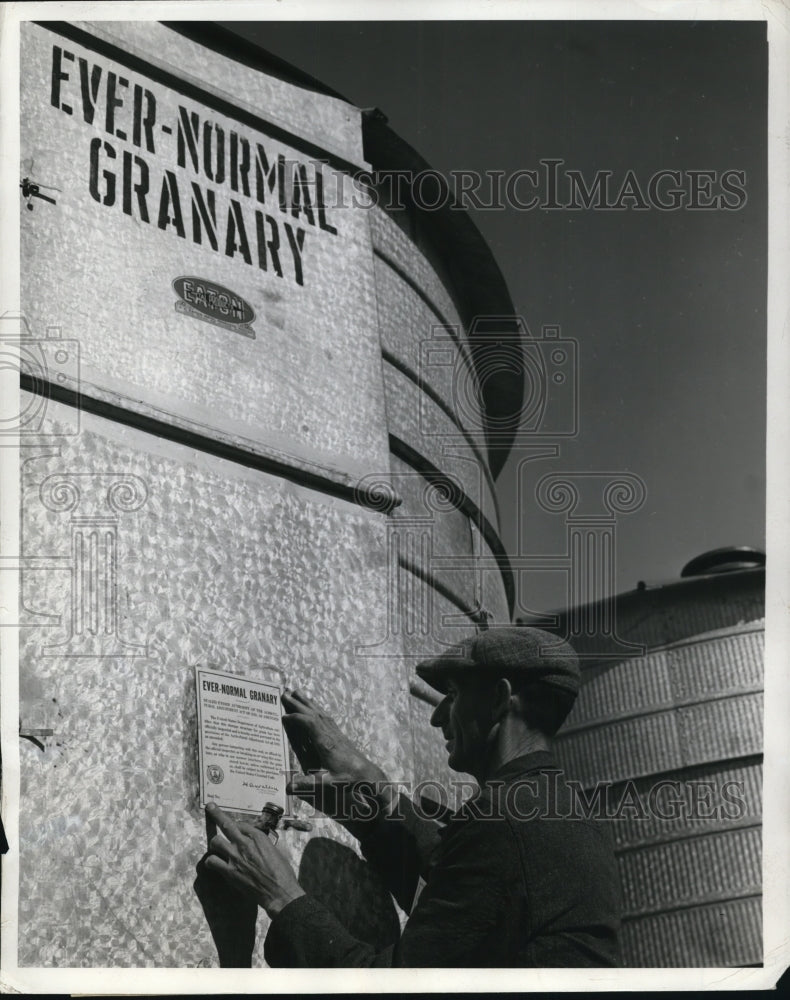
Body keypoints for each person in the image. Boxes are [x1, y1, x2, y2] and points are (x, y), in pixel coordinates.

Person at [203, 627, 621, 966]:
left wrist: (281, 896)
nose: (438, 715)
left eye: (453, 696)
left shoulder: (504, 823)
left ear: (498, 700)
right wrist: (376, 796)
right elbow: (456, 896)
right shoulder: (559, 814)